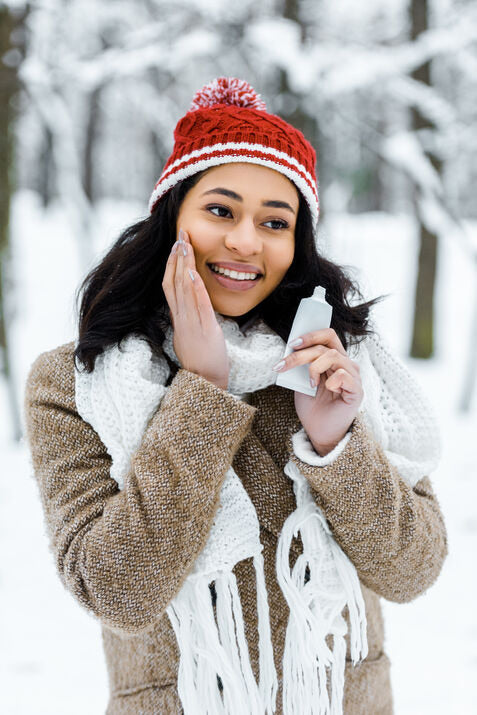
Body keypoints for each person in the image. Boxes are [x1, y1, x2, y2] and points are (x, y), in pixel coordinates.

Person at [23, 77, 447, 715]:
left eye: (275, 222)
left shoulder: (332, 365)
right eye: (220, 210)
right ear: (173, 218)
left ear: (296, 241)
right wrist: (199, 394)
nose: (246, 241)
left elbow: (411, 570)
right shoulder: (76, 384)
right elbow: (119, 590)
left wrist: (334, 442)